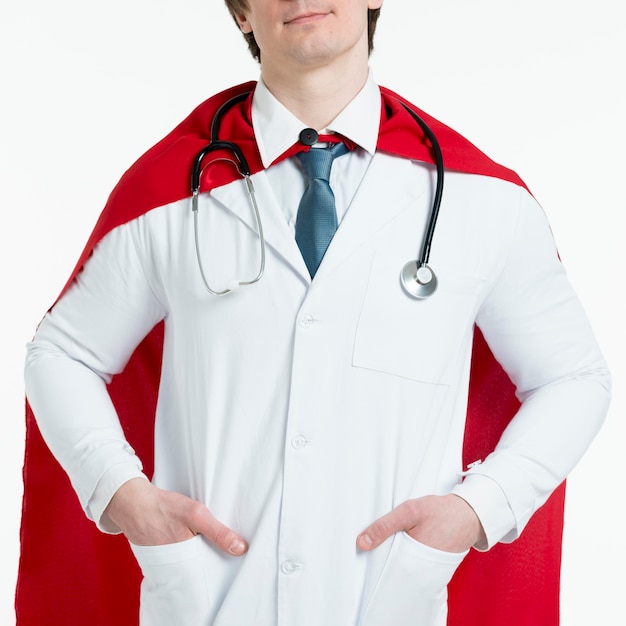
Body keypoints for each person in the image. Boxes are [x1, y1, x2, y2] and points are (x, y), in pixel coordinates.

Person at [18, 1, 611, 625]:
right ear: (244, 13)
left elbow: (574, 378)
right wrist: (121, 492)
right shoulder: (167, 194)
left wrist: (479, 509)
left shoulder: (482, 198)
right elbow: (62, 355)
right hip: (212, 599)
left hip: (391, 598)